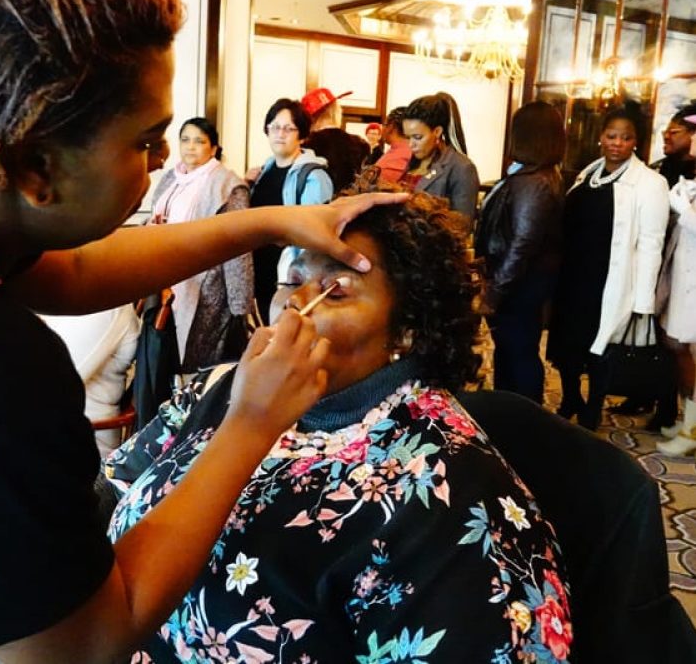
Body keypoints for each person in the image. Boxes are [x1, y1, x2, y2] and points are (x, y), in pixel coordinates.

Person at [0, 0, 405, 662]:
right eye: (144, 143)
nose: (156, 166)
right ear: (34, 165)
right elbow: (84, 643)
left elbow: (71, 270)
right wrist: (250, 424)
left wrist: (269, 223)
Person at [106, 177, 573, 663]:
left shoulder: (450, 498)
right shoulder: (223, 386)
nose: (293, 300)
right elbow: (110, 498)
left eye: (334, 290)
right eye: (293, 277)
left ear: (409, 327)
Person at [547, 104, 669, 431]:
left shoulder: (650, 183)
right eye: (611, 135)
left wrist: (643, 300)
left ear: (636, 142)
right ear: (601, 137)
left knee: (602, 347)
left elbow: (650, 243)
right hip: (574, 275)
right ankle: (571, 396)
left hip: (610, 278)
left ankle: (594, 407)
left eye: (625, 138)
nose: (617, 142)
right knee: (568, 342)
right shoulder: (590, 172)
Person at [475, 101, 565, 403]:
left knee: (519, 352)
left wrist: (495, 292)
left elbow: (521, 244)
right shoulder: (535, 175)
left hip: (520, 285)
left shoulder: (535, 182)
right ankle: (510, 412)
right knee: (512, 350)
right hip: (521, 282)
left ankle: (524, 420)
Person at [611, 102, 696, 419]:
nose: (666, 136)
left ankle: (682, 417)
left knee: (680, 345)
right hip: (664, 264)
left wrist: (679, 205)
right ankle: (652, 399)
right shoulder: (664, 168)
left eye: (674, 131)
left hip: (687, 272)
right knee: (660, 339)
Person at [149, 117, 253, 372]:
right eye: (185, 140)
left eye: (199, 141)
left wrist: (240, 305)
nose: (190, 147)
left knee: (196, 360)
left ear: (213, 148)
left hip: (206, 285)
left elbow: (237, 244)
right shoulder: (171, 178)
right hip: (165, 278)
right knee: (163, 350)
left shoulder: (226, 184)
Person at [248, 98, 334, 322]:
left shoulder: (313, 177)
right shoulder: (265, 170)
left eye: (289, 128)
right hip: (259, 270)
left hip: (288, 276)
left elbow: (314, 236)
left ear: (302, 134)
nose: (280, 134)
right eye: (275, 127)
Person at [654, 125, 696, 456]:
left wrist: (684, 210)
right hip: (683, 277)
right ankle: (688, 424)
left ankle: (692, 431)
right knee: (681, 350)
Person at [402, 92, 480, 228]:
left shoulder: (462, 168)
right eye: (408, 137)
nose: (411, 144)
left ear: (437, 131)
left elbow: (461, 226)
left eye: (417, 137)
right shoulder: (415, 162)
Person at [301, 86, 370, 192]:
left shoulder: (304, 147)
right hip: (352, 204)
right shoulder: (361, 144)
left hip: (314, 205)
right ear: (335, 110)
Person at [374, 106, 413, 183]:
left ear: (391, 127)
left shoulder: (390, 162)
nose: (382, 129)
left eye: (384, 124)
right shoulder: (418, 151)